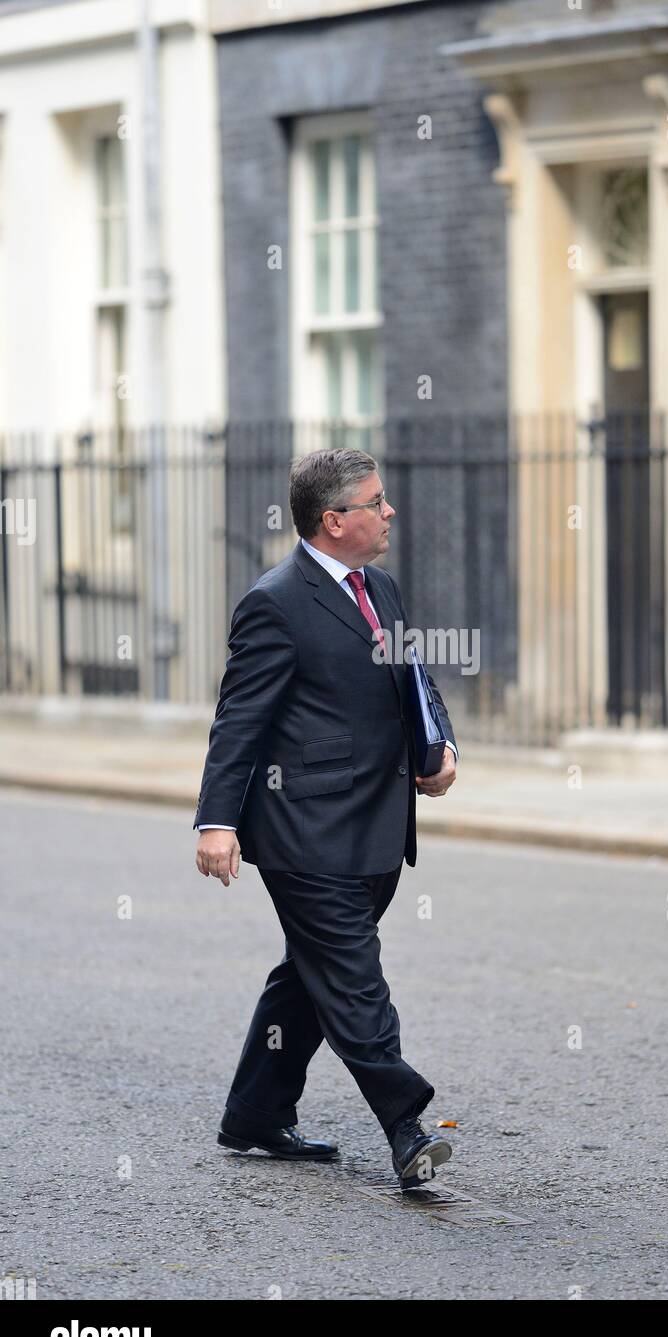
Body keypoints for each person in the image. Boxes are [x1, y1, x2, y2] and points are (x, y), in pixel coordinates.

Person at [194, 447, 458, 1189]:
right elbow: (238, 721)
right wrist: (217, 821)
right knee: (352, 978)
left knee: (311, 975)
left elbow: (413, 677)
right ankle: (407, 1129)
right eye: (376, 502)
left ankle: (255, 1113)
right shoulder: (275, 600)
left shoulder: (382, 588)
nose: (389, 512)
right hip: (302, 832)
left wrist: (437, 747)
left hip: (377, 824)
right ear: (334, 520)